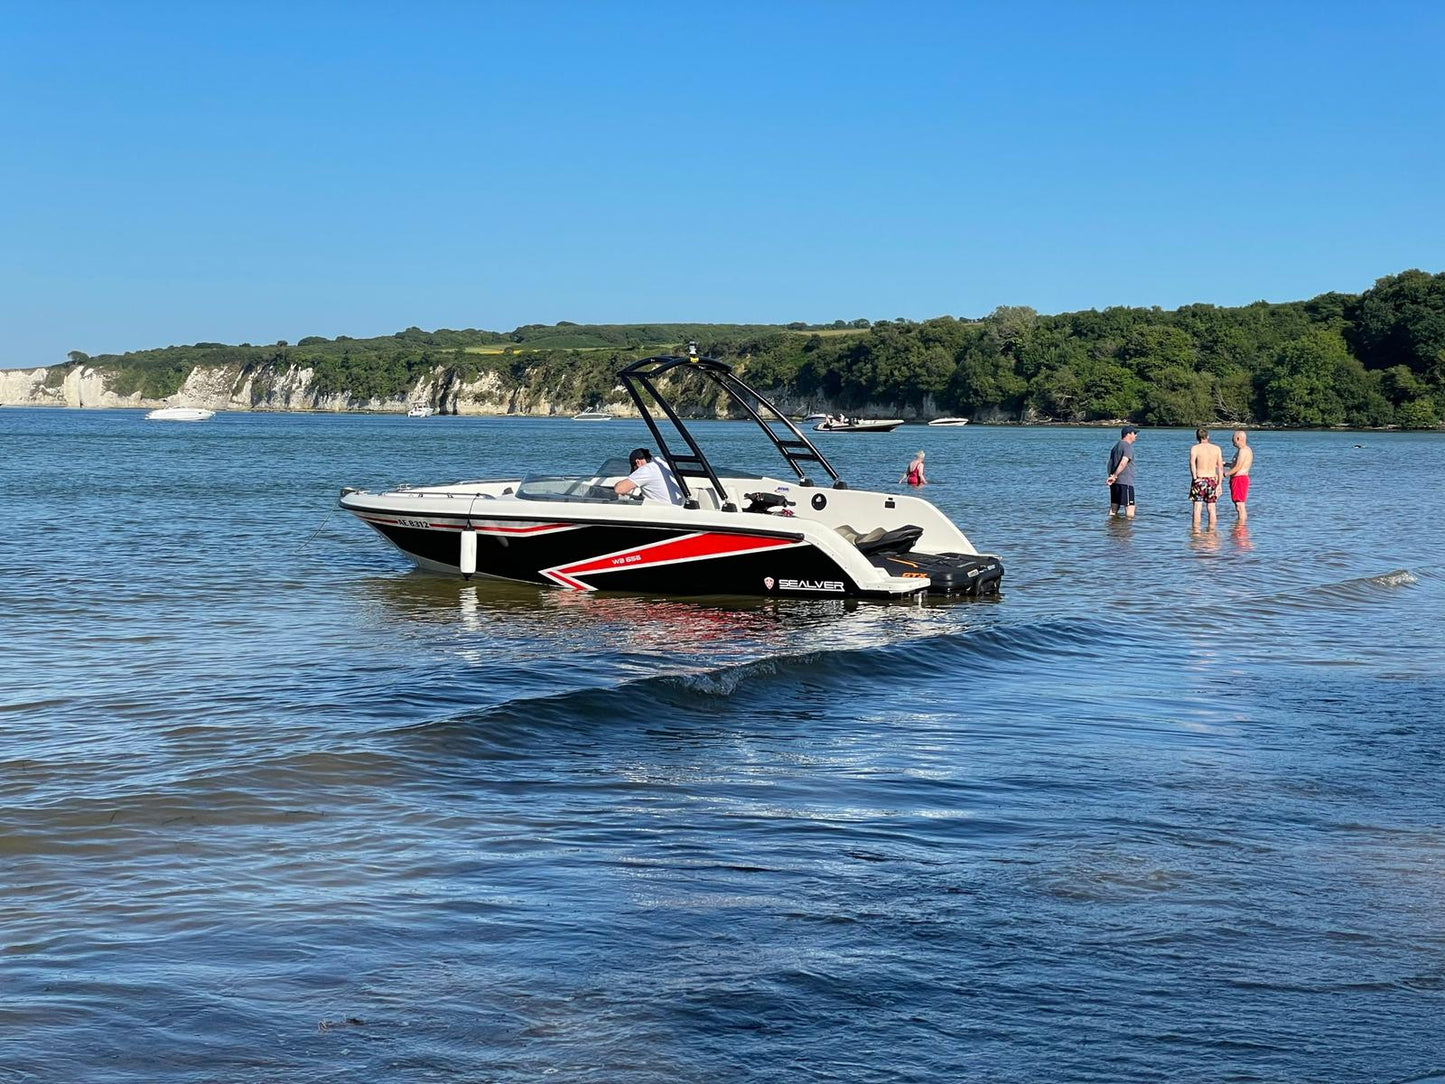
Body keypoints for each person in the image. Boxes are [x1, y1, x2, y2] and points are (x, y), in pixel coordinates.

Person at [614, 447, 682, 504]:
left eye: (635, 469)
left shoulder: (647, 469)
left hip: (661, 512)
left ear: (638, 462)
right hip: (676, 507)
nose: (636, 471)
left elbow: (619, 489)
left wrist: (616, 485)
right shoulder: (663, 464)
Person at [1188, 427, 1224, 530]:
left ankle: (1196, 530)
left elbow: (1192, 464)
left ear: (1197, 438)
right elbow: (1220, 467)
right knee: (1211, 507)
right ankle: (1212, 530)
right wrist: (1219, 484)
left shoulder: (1195, 448)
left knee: (1197, 507)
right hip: (1212, 480)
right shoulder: (1216, 449)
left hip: (1199, 479)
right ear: (1208, 436)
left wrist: (1195, 477)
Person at [1106, 424, 1138, 517]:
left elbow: (1109, 464)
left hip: (1115, 483)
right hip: (1125, 482)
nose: (1136, 435)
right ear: (1128, 434)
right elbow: (1123, 462)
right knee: (1130, 508)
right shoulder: (1127, 446)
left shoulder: (1115, 447)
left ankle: (1112, 529)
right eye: (1134, 433)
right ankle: (1127, 531)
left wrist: (1111, 477)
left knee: (1113, 509)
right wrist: (1115, 476)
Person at [1224, 429, 1253, 523]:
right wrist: (1224, 464)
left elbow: (1238, 467)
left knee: (1240, 505)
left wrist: (1226, 474)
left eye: (1233, 439)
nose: (1232, 441)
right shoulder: (1244, 450)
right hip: (1238, 478)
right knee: (1238, 504)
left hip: (1240, 479)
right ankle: (1239, 526)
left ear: (1238, 438)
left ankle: (1241, 526)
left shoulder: (1243, 451)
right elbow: (1235, 464)